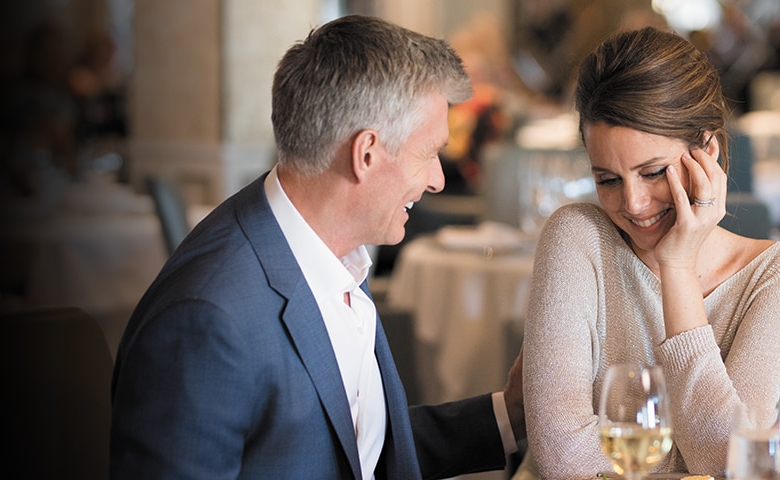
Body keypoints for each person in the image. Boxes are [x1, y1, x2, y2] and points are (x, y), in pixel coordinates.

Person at [111, 14, 525, 480]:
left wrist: (507, 415)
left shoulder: (332, 248)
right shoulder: (206, 320)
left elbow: (354, 450)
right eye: (429, 153)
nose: (437, 179)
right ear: (365, 154)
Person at [514, 26, 779, 479]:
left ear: (707, 152)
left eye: (653, 172)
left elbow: (729, 464)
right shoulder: (577, 237)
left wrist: (677, 269)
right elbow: (561, 460)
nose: (632, 205)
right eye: (608, 179)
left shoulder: (770, 278)